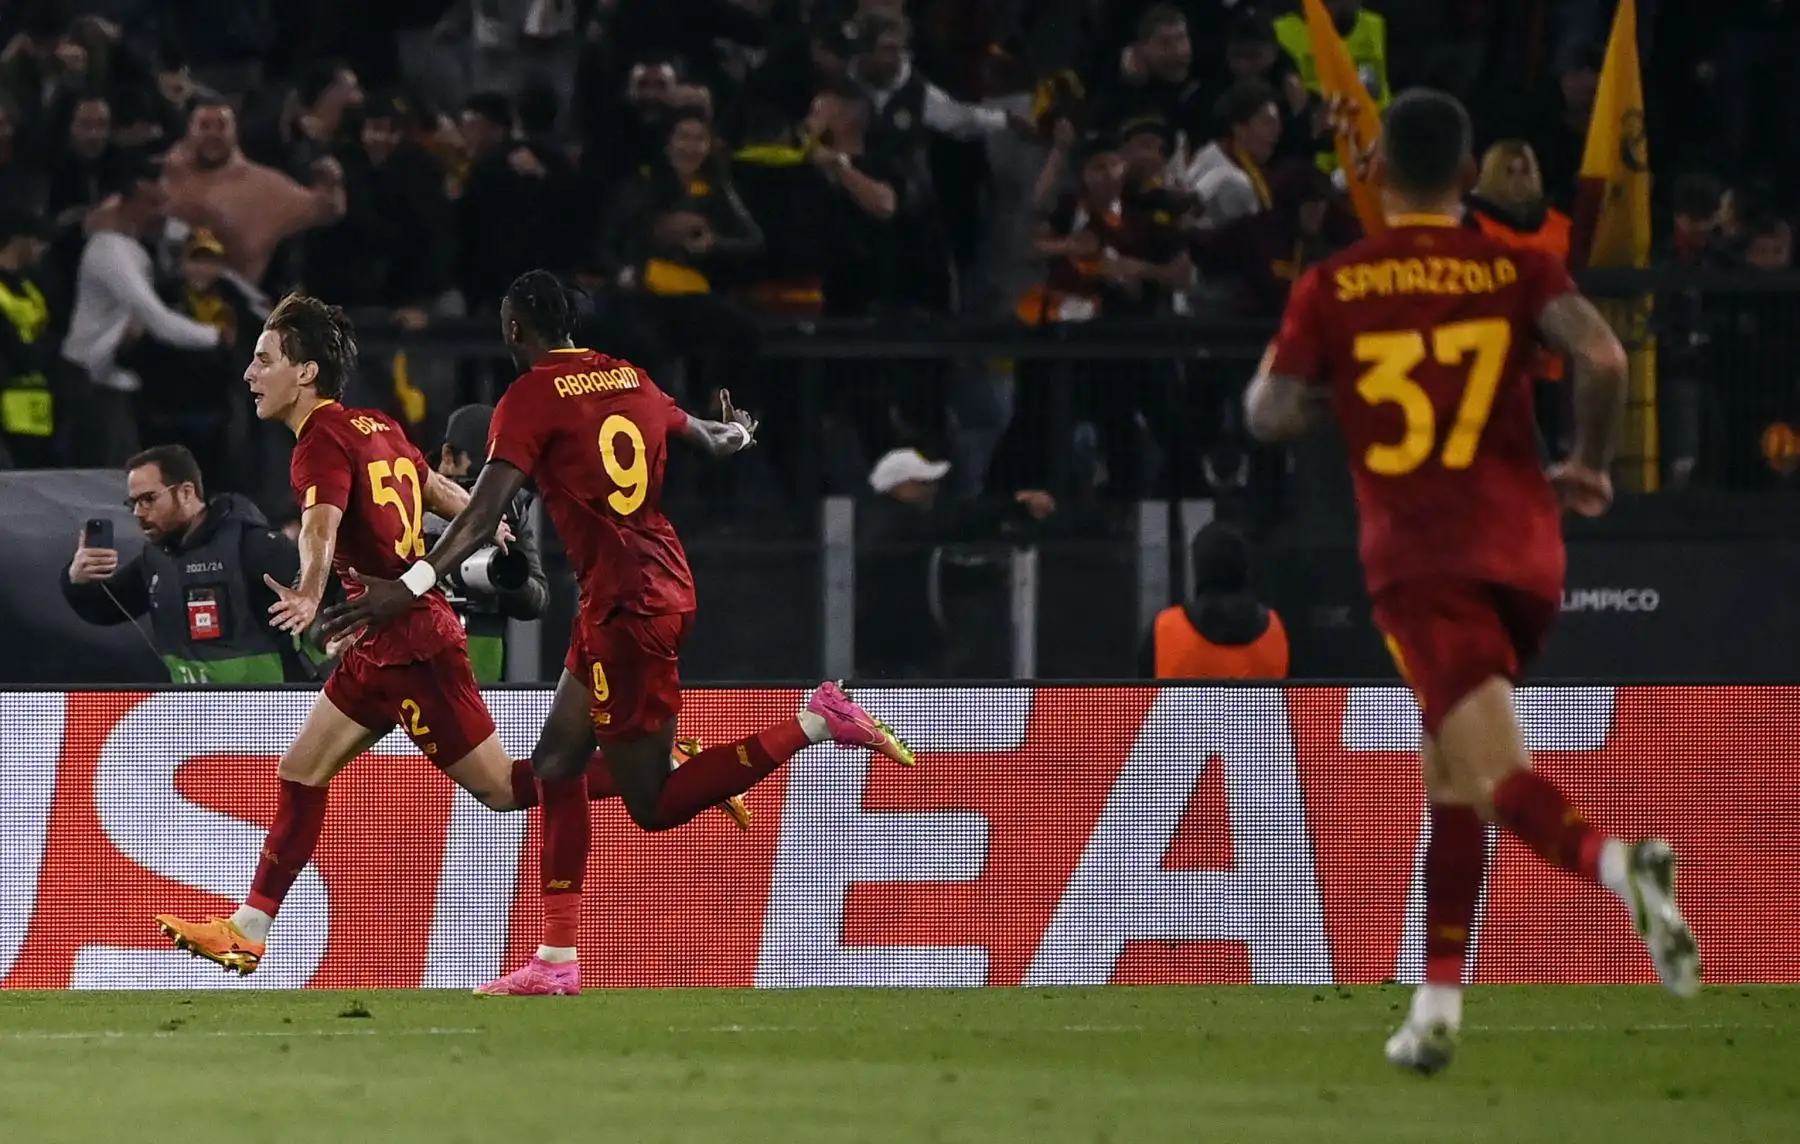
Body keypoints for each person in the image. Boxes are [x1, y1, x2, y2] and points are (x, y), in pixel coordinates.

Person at [1243, 89, 1699, 1074]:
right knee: (1449, 774)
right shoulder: (1520, 265)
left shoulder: (1339, 282)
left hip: (1422, 559)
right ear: (1464, 179)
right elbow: (1606, 354)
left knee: (1492, 775)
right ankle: (1437, 1006)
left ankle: (1627, 869)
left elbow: (1269, 411)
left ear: (1375, 172)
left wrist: (1341, 395)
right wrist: (1592, 462)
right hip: (1528, 552)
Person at [320, 270, 917, 997]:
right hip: (638, 588)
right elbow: (711, 436)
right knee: (557, 764)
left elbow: (480, 516)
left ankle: (815, 722)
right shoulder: (628, 377)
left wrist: (409, 585)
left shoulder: (531, 396)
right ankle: (556, 959)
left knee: (654, 805)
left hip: (630, 608)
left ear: (515, 328)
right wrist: (742, 431)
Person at [151, 294, 750, 976]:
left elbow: (318, 527)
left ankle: (654, 768)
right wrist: (490, 524)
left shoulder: (318, 444)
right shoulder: (376, 426)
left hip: (412, 649)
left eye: (264, 361)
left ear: (307, 373)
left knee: (501, 789)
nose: (250, 375)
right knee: (300, 770)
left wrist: (311, 589)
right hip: (381, 645)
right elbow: (436, 487)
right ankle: (247, 929)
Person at [61, 444, 310, 683]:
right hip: (192, 713)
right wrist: (75, 580)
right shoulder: (156, 559)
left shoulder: (251, 545)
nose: (138, 512)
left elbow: (324, 590)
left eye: (148, 499)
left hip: (271, 711)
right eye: (133, 503)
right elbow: (106, 610)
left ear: (186, 492)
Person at [429, 402, 548, 683]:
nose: (486, 490)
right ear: (448, 456)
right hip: (413, 638)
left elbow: (537, 600)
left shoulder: (510, 503)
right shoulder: (407, 491)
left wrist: (503, 574)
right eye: (480, 476)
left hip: (482, 643)